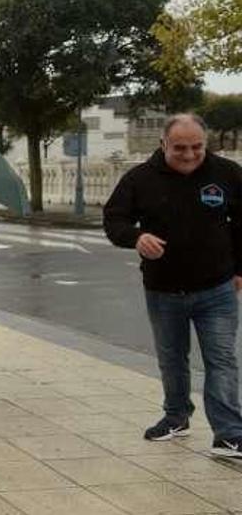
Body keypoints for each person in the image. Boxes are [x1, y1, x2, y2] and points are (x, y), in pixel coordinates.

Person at [103, 113, 242, 458]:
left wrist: (241, 268)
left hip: (217, 289)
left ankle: (229, 433)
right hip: (163, 290)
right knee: (172, 359)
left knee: (222, 359)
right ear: (164, 143)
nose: (190, 154)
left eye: (197, 147)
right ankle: (177, 416)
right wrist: (136, 237)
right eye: (180, 148)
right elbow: (113, 219)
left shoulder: (227, 174)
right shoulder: (140, 178)